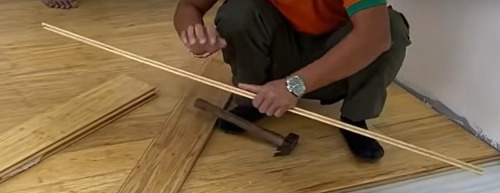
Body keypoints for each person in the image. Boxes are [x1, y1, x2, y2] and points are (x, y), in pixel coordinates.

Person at [173, 0, 411, 161]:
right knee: (239, 12)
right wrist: (193, 34)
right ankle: (252, 101)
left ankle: (354, 119)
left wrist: (294, 85)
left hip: (335, 59)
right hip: (280, 51)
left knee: (391, 28)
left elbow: (375, 38)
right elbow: (189, 5)